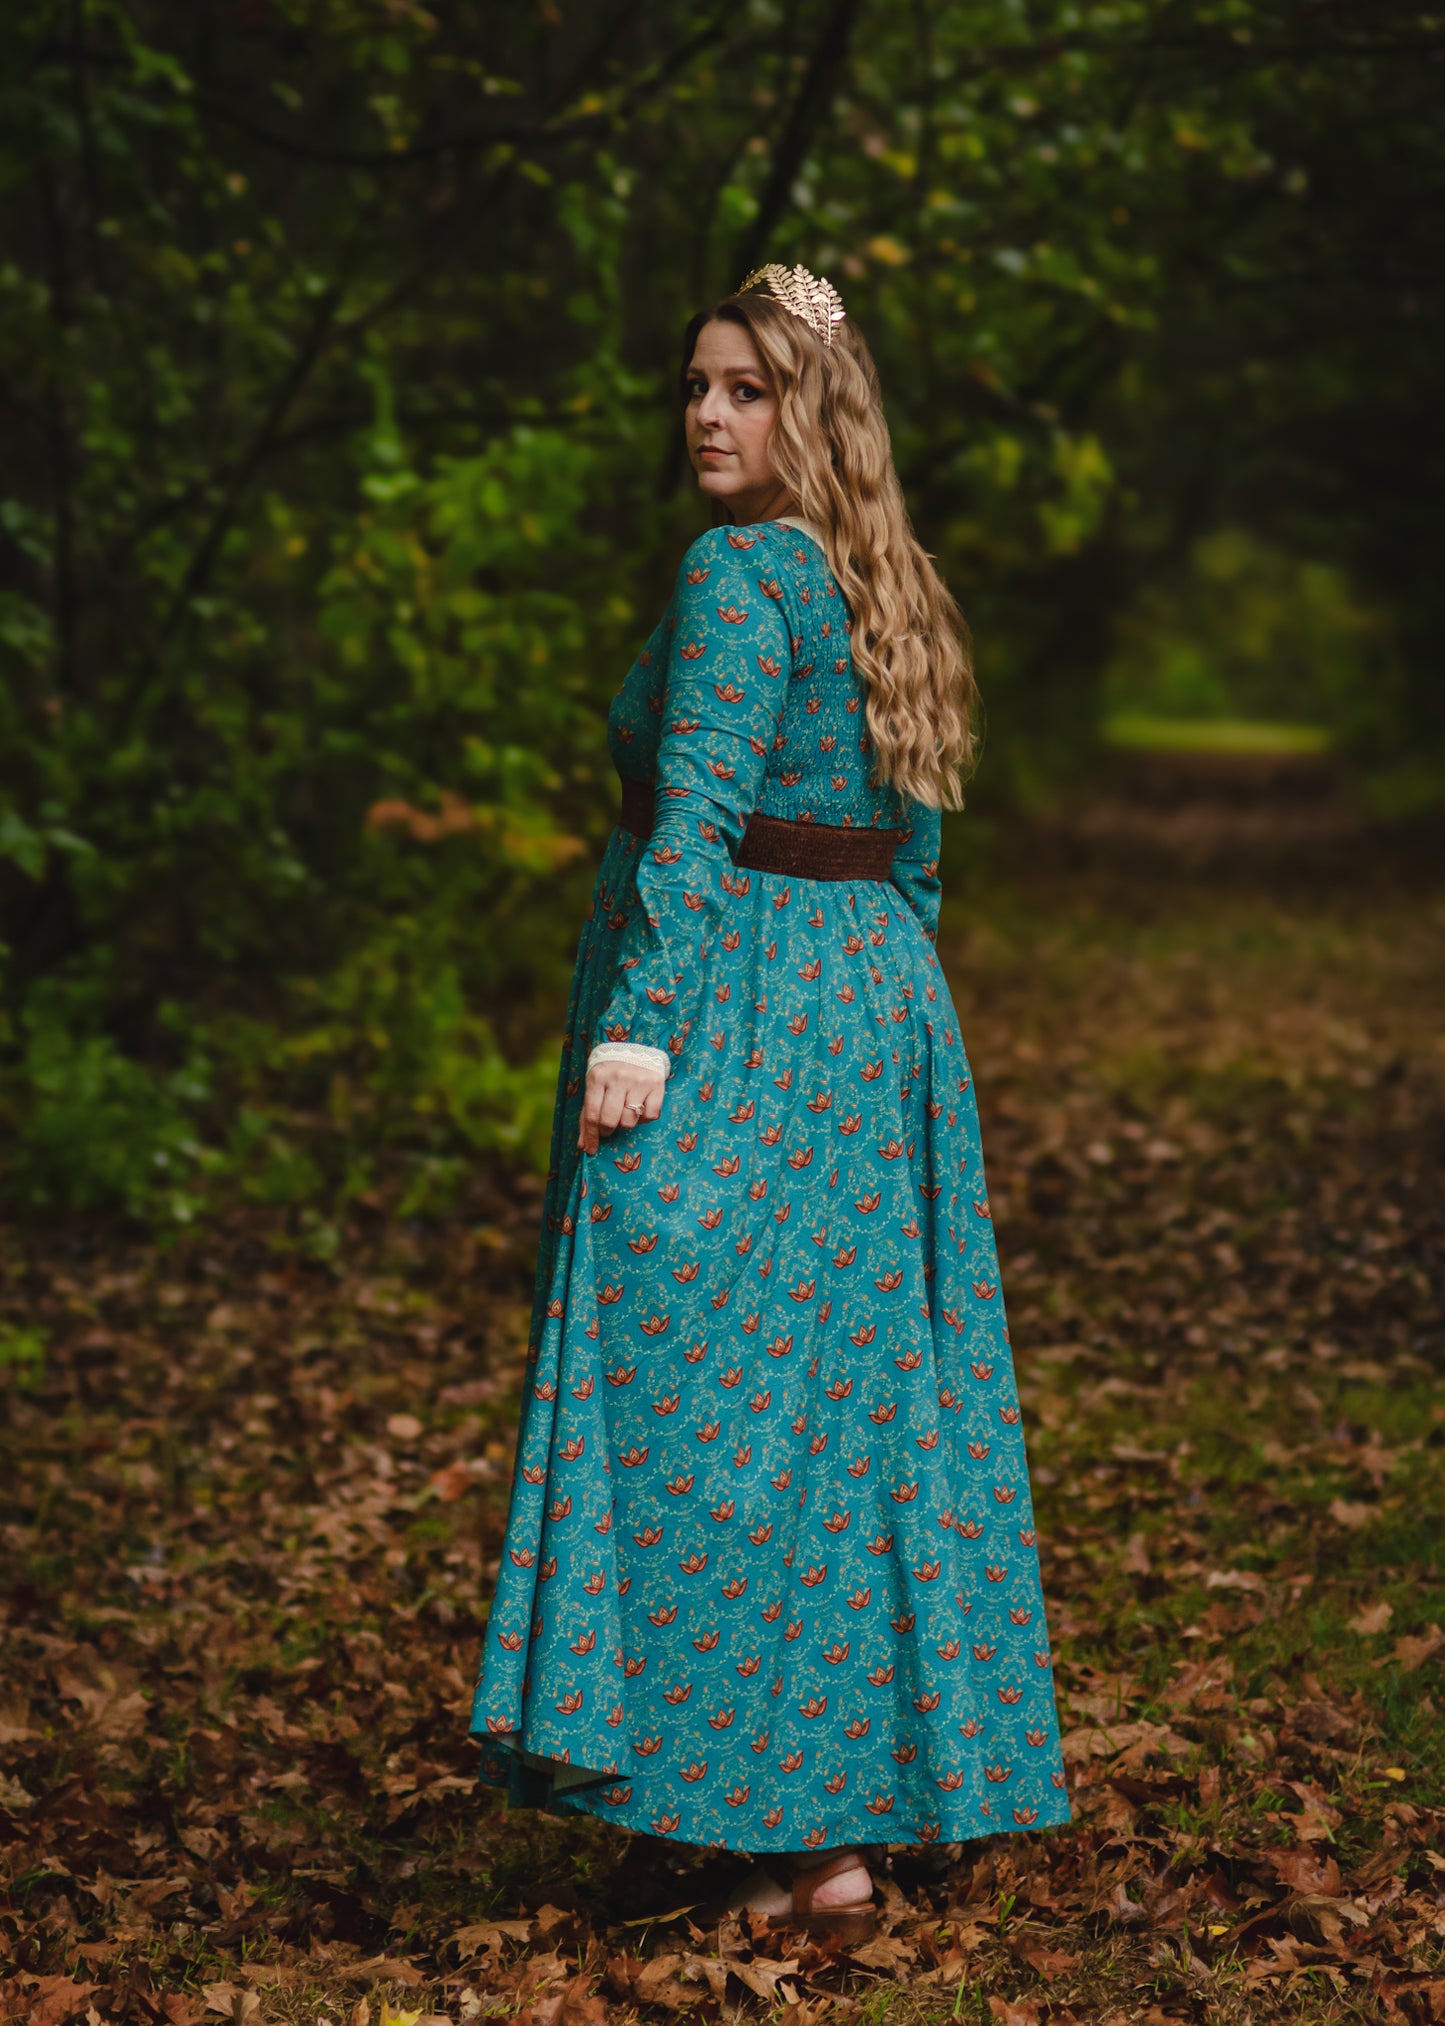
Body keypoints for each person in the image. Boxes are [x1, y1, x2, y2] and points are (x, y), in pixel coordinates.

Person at [471, 263, 1069, 1937]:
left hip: (730, 1004)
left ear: (814, 410)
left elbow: (697, 813)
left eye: (745, 388)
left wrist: (642, 1028)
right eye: (694, 388)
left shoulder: (739, 575)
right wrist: (882, 999)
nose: (710, 418)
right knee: (841, 1412)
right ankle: (824, 1836)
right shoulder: (892, 582)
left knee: (693, 1413)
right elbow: (921, 850)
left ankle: (763, 1824)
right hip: (876, 1011)